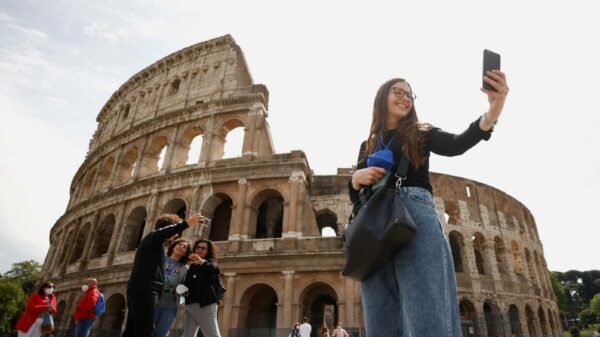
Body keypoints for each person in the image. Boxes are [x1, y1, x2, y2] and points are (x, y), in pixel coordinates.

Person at [349, 71, 508, 336]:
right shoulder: (368, 145)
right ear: (382, 97)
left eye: (409, 94)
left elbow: (457, 144)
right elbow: (357, 198)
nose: (405, 98)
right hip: (374, 226)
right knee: (380, 314)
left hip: (415, 218)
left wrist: (492, 111)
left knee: (426, 309)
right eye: (398, 91)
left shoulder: (420, 132)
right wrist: (355, 179)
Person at [121, 212, 204, 337]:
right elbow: (165, 232)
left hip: (141, 288)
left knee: (132, 329)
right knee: (145, 328)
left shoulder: (154, 243)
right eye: (175, 232)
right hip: (146, 288)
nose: (176, 236)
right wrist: (188, 223)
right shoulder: (154, 238)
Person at [182, 239, 223, 337]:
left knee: (212, 334)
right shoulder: (191, 267)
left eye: (203, 248)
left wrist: (201, 261)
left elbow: (215, 270)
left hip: (205, 304)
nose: (199, 250)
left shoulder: (210, 263)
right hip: (190, 305)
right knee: (187, 335)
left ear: (208, 251)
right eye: (198, 248)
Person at [152, 239, 191, 337]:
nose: (181, 247)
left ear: (186, 253)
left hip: (169, 307)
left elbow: (184, 289)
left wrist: (181, 299)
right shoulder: (160, 260)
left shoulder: (185, 269)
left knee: (160, 334)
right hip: (152, 303)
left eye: (185, 247)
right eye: (180, 244)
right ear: (173, 247)